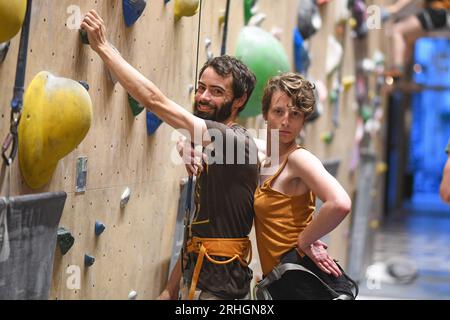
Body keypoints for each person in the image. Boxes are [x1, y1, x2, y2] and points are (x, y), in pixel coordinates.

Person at [81, 10, 260, 300]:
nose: (203, 97)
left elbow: (154, 100)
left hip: (219, 291)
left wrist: (103, 46)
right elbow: (199, 233)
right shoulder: (216, 149)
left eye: (216, 92)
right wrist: (170, 287)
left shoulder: (234, 141)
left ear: (239, 100)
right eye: (201, 87)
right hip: (201, 282)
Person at [254, 72, 352, 299]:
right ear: (265, 114)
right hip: (281, 280)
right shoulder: (267, 158)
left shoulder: (298, 159)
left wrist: (304, 240)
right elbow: (230, 139)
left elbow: (340, 203)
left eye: (295, 114)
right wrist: (185, 144)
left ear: (303, 120)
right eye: (278, 111)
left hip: (300, 277)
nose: (286, 121)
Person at [383, 0, 449, 79]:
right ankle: (402, 74)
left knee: (397, 30)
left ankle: (398, 68)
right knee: (408, 38)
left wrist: (395, 8)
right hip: (440, 15)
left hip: (438, 13)